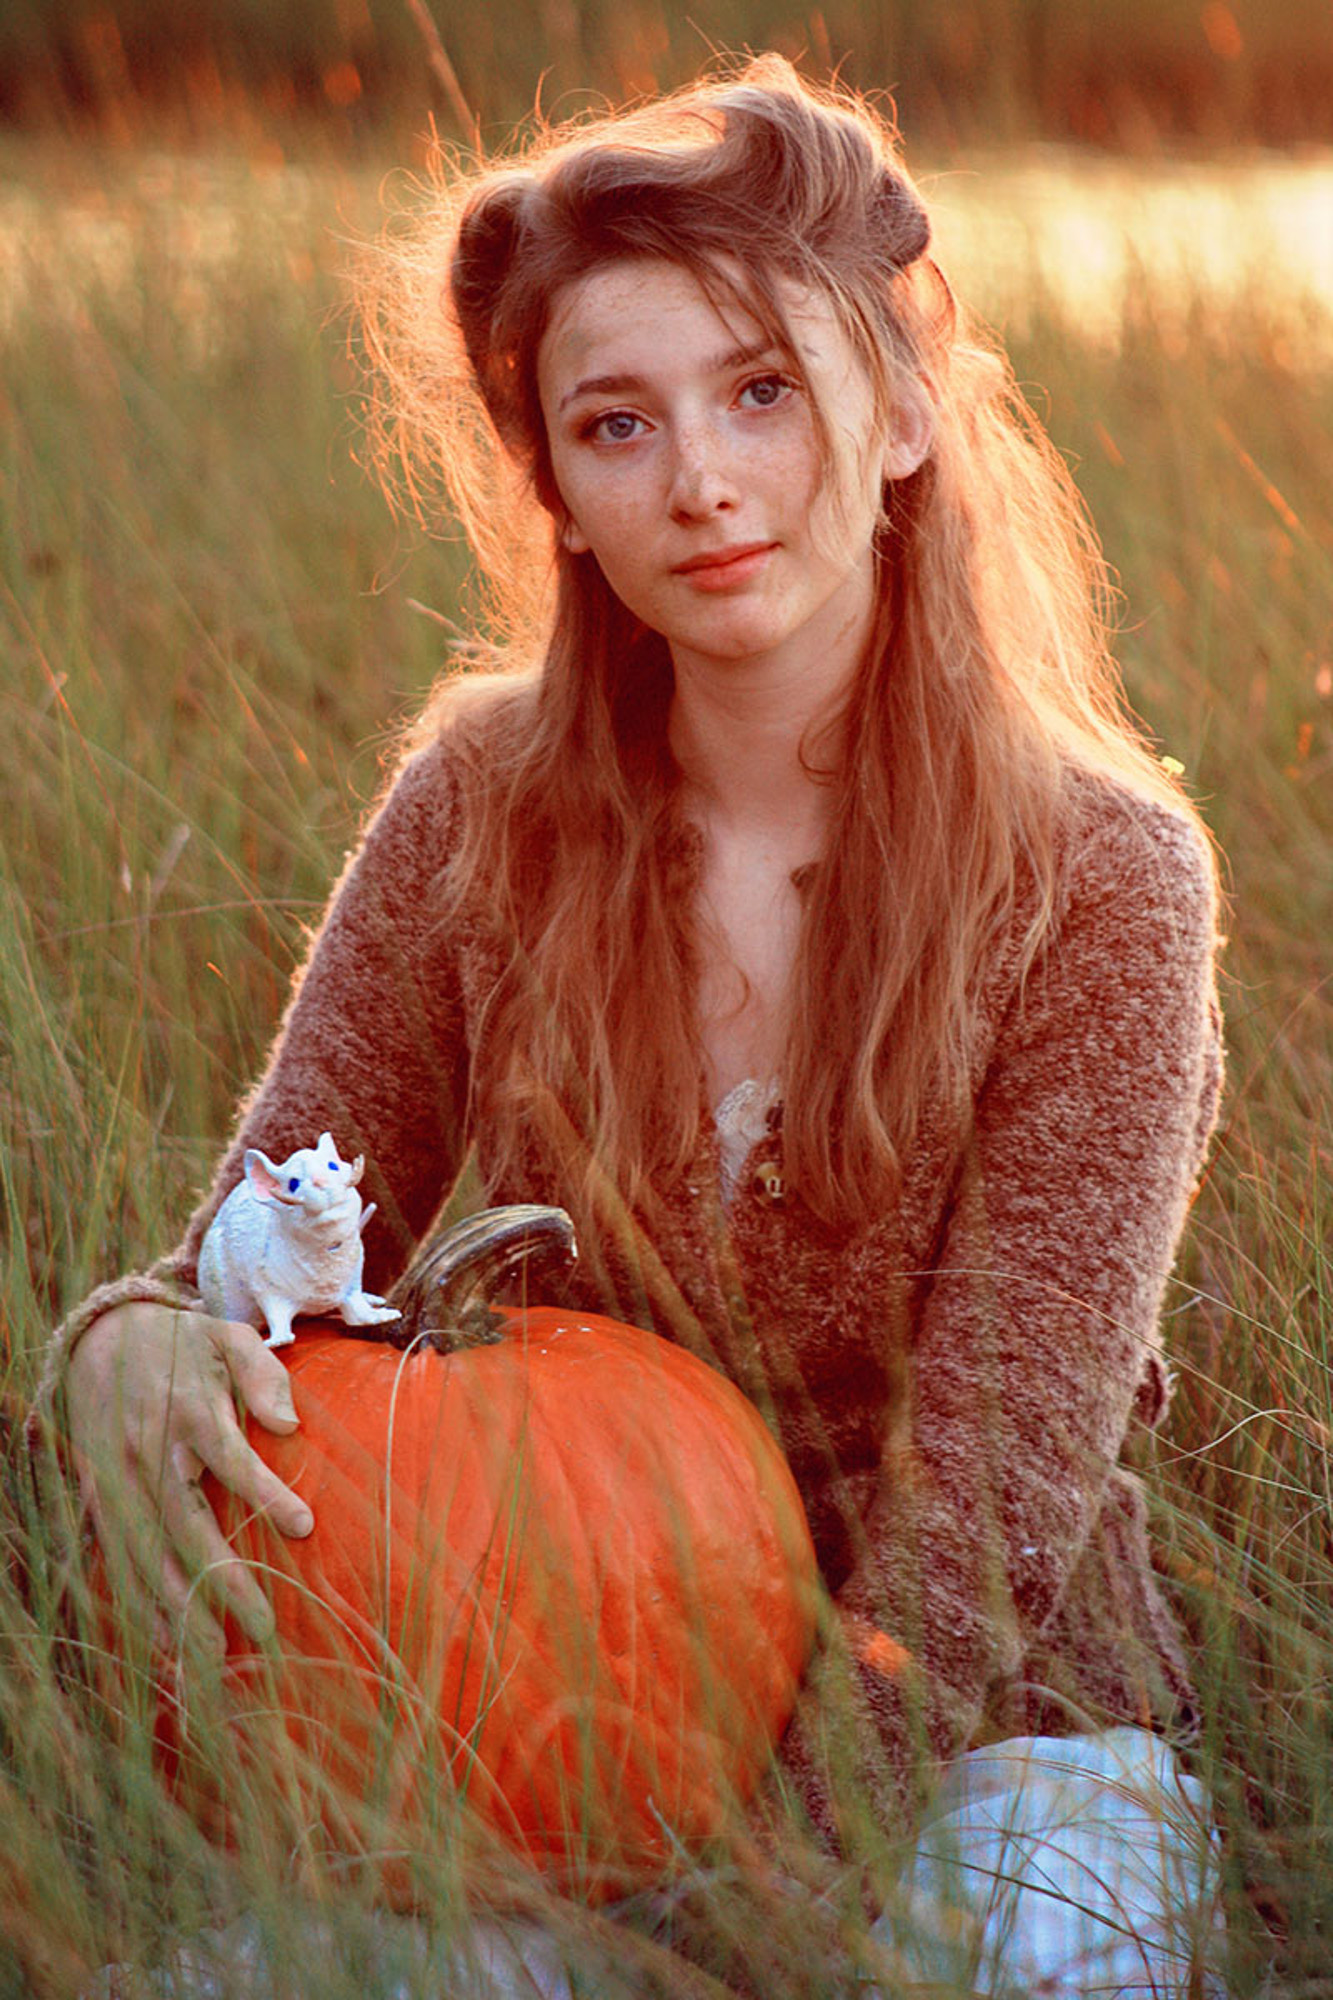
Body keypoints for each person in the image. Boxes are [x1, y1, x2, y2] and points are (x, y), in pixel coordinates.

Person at [43, 56, 1225, 1994]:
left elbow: (1008, 1479)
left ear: (906, 399)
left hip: (989, 1736)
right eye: (616, 422)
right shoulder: (477, 810)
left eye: (760, 388)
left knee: (1028, 1962)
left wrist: (763, 1903)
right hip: (551, 1735)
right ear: (556, 495)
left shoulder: (1100, 872)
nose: (699, 477)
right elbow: (265, 1236)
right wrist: (131, 1338)